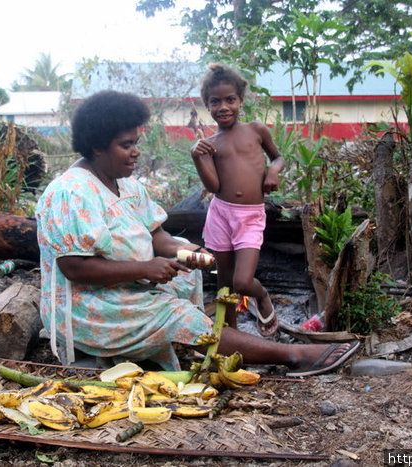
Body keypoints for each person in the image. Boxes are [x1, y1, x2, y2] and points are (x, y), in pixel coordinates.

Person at [35, 89, 359, 376]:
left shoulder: (128, 187)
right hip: (88, 308)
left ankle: (198, 341)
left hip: (125, 290)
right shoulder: (70, 193)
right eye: (126, 145)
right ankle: (293, 355)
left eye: (136, 142)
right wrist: (144, 268)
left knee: (187, 275)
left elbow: (157, 238)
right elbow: (73, 267)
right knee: (174, 314)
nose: (136, 152)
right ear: (96, 147)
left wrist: (188, 250)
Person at [191, 64, 283, 337]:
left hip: (250, 216)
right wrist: (197, 157)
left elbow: (277, 157)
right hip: (220, 214)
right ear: (207, 106)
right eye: (215, 102)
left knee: (242, 281)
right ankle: (231, 333)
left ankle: (262, 295)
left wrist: (273, 172)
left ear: (240, 100)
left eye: (230, 99)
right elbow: (214, 186)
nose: (223, 107)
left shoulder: (256, 130)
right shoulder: (210, 143)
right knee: (224, 282)